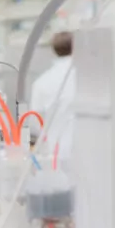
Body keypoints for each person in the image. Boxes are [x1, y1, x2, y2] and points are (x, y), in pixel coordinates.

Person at [30, 31, 75, 170]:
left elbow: (35, 120)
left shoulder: (42, 81)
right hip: (87, 150)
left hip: (55, 152)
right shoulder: (86, 74)